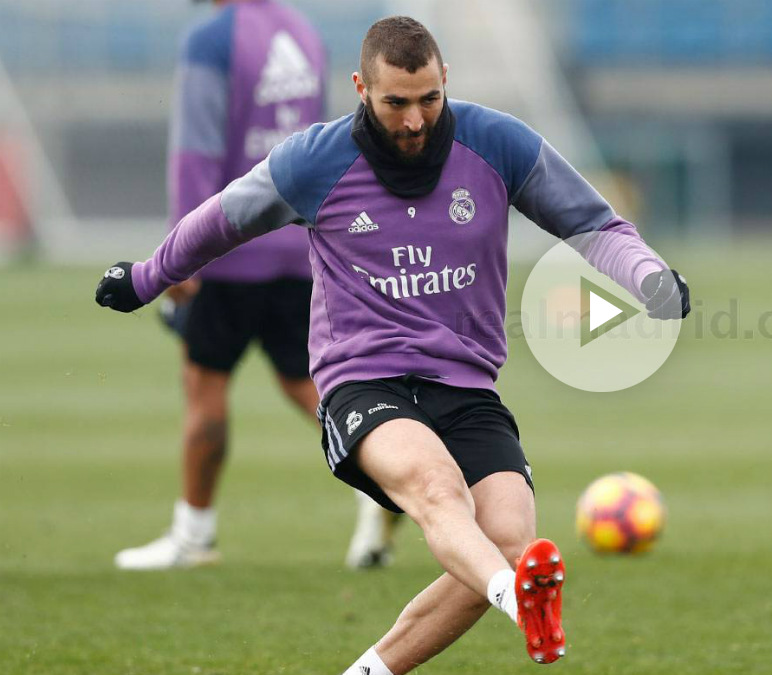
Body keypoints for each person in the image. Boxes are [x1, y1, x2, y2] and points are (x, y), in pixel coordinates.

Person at [96, 16, 690, 671]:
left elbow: (593, 223)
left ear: (446, 83)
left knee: (511, 541)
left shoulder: (497, 143)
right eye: (396, 103)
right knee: (440, 492)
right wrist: (146, 278)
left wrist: (649, 278)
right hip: (362, 383)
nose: (414, 121)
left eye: (429, 99)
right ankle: (522, 604)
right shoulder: (315, 160)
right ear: (360, 88)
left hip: (465, 386)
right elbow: (220, 221)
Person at [113, 0, 400, 572]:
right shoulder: (303, 30)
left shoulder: (211, 38)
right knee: (305, 380)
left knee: (205, 382)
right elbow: (315, 146)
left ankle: (193, 535)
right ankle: (395, 469)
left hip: (227, 245)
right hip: (295, 237)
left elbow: (196, 150)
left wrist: (181, 255)